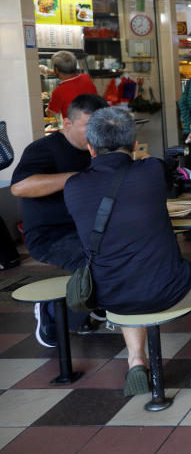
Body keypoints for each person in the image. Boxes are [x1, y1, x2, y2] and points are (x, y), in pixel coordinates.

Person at [64, 107, 191, 394]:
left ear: (90, 147)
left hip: (107, 293)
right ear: (135, 142)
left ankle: (136, 360)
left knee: (124, 268)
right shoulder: (151, 169)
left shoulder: (73, 186)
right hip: (165, 287)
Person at [11, 94, 108, 346]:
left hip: (92, 229)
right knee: (99, 263)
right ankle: (53, 313)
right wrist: (77, 178)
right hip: (50, 235)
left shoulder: (100, 148)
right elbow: (20, 187)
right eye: (89, 126)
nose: (96, 133)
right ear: (67, 124)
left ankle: (99, 302)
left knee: (132, 249)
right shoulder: (43, 149)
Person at [46, 50, 98, 117]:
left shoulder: (59, 91)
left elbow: (50, 114)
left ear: (56, 70)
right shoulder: (85, 77)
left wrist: (45, 108)